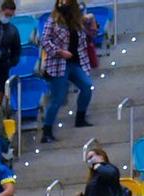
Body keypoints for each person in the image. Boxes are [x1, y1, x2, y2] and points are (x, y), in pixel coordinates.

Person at [39, 0, 100, 141]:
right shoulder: (52, 21)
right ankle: (46, 131)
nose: (63, 3)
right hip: (58, 63)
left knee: (87, 87)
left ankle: (80, 118)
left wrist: (92, 24)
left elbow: (90, 36)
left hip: (75, 62)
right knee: (58, 98)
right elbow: (44, 41)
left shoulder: (78, 21)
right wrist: (59, 51)